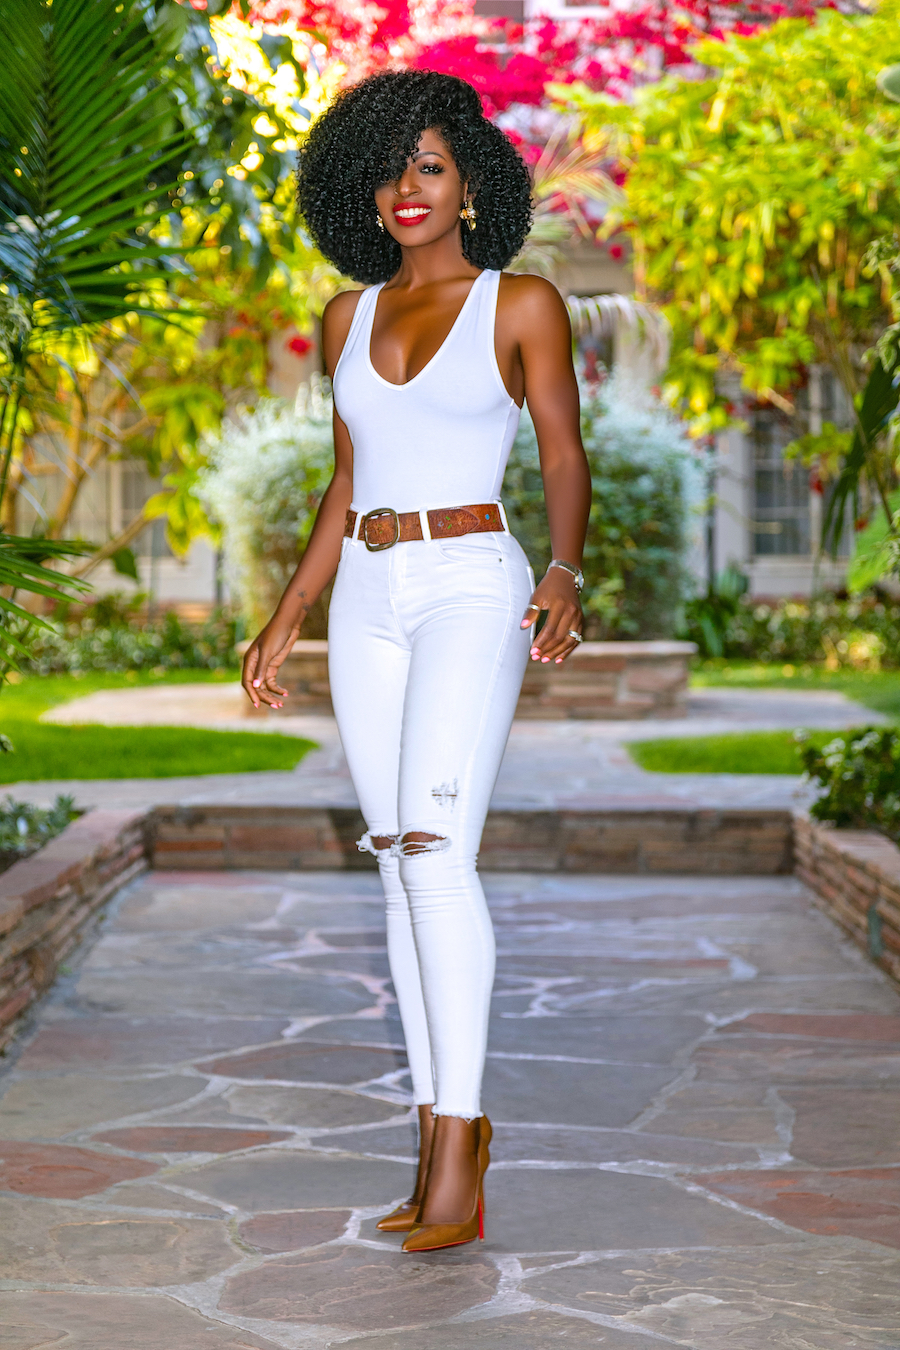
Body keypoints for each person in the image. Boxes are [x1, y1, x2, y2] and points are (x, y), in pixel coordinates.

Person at [242, 70, 590, 1252]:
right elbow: (348, 479)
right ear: (360, 185)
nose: (409, 187)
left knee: (439, 855)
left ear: (471, 185)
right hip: (370, 594)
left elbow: (561, 453)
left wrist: (563, 569)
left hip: (470, 582)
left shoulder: (520, 304)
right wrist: (291, 609)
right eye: (390, 168)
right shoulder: (346, 319)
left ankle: (457, 1139)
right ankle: (440, 1136)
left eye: (431, 166)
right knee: (397, 862)